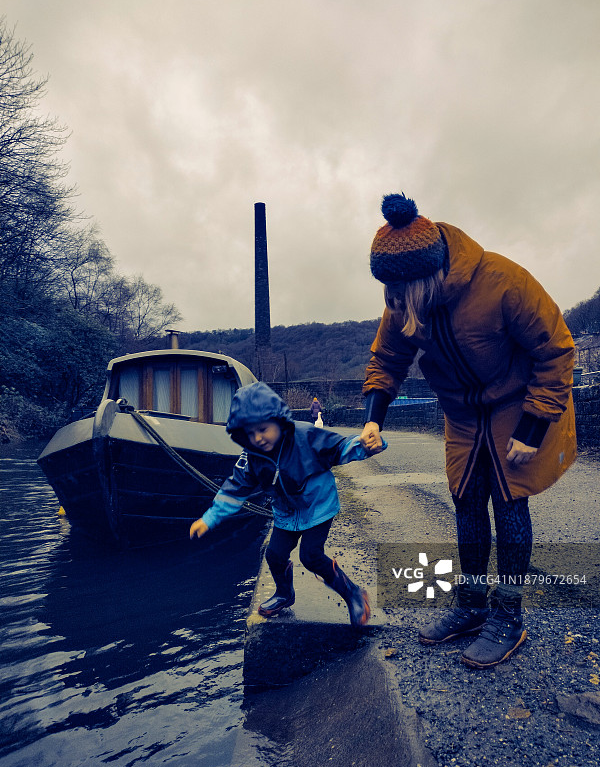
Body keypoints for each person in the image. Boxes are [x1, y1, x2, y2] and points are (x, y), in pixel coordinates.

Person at [360, 192, 576, 668]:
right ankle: (472, 604)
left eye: (400, 295)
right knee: (466, 499)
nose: (393, 304)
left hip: (514, 406)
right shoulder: (402, 296)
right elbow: (388, 357)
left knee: (508, 502)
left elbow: (557, 348)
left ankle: (509, 615)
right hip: (462, 415)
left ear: (428, 275)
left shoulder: (503, 281)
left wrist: (534, 424)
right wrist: (374, 416)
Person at [190, 381, 386, 627]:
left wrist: (367, 446)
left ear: (278, 421)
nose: (258, 438)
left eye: (263, 429)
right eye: (251, 433)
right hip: (285, 512)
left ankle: (354, 594)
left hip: (317, 506)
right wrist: (209, 519)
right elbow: (235, 488)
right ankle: (285, 593)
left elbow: (339, 447)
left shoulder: (305, 436)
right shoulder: (252, 457)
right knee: (274, 554)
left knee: (311, 556)